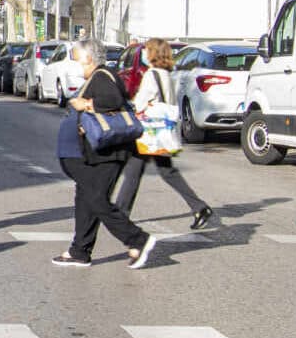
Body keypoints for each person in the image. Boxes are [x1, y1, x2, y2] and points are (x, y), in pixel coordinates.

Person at [53, 40, 158, 269]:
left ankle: (138, 239)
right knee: (85, 197)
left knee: (96, 199)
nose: (76, 63)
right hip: (98, 153)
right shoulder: (98, 76)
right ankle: (80, 251)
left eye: (78, 57)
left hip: (110, 152)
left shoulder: (102, 76)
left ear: (89, 58)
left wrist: (86, 104)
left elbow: (113, 100)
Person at [113, 38, 214, 230]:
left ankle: (120, 214)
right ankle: (199, 207)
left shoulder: (152, 74)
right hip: (162, 132)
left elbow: (141, 103)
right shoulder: (168, 74)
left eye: (147, 50)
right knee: (166, 171)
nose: (144, 53)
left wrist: (131, 104)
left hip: (149, 131)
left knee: (134, 171)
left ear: (153, 54)